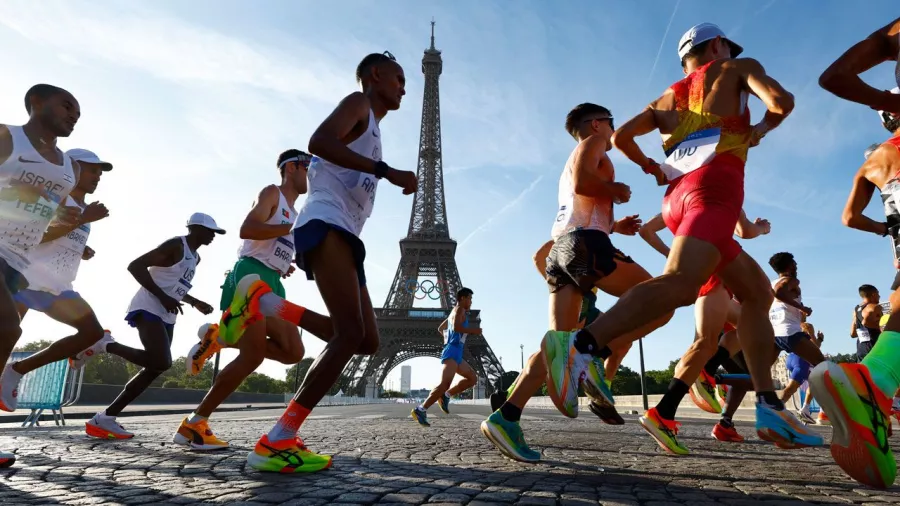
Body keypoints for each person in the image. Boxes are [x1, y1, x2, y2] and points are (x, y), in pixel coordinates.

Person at [541, 23, 820, 449]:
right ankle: (581, 346)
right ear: (716, 45)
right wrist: (758, 130)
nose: (730, 49)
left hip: (677, 199)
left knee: (758, 294)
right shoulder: (738, 67)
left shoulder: (666, 98)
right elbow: (783, 103)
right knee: (680, 284)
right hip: (716, 192)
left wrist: (652, 167)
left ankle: (768, 405)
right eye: (727, 44)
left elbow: (621, 137)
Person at [218, 51, 417, 473]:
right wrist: (386, 170)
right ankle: (278, 438)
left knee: (367, 342)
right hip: (327, 224)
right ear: (375, 75)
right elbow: (319, 142)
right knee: (348, 335)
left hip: (344, 233)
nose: (404, 86)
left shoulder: (374, 126)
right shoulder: (358, 103)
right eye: (399, 78)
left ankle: (268, 304)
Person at [480, 103, 673, 463]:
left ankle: (506, 417)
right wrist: (614, 188)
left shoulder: (569, 163)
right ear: (598, 124)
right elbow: (588, 185)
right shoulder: (593, 142)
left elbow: (578, 204)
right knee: (661, 299)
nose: (614, 132)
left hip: (562, 251)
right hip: (586, 244)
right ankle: (593, 356)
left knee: (557, 344)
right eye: (611, 125)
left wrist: (615, 225)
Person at [172, 149, 330, 450]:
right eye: (309, 167)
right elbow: (247, 229)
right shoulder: (272, 193)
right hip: (249, 278)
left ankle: (219, 336)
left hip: (270, 279)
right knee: (252, 357)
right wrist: (290, 232)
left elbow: (271, 242)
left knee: (293, 351)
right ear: (292, 168)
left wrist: (284, 263)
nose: (313, 174)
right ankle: (194, 424)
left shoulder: (296, 213)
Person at [635, 210, 769, 454]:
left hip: (710, 275)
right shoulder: (722, 187)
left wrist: (678, 259)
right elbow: (745, 231)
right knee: (704, 343)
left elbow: (646, 231)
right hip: (716, 274)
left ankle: (706, 371)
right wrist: (762, 228)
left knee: (749, 322)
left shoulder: (679, 198)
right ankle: (664, 413)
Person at [0, 84, 82, 468]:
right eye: (67, 106)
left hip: (17, 262)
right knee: (6, 330)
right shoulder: (8, 137)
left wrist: (58, 218)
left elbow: (43, 214)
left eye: (77, 113)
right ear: (35, 102)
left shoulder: (68, 167)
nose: (73, 115)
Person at [84, 213, 222, 439]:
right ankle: (105, 344)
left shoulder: (195, 258)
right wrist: (162, 297)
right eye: (210, 231)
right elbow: (135, 266)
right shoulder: (176, 245)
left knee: (155, 368)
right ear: (194, 229)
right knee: (162, 361)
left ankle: (106, 418)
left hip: (167, 314)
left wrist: (194, 301)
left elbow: (174, 285)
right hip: (147, 307)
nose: (213, 236)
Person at [821, 99, 900, 488]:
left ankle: (873, 391)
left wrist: (885, 230)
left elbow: (849, 217)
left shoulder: (873, 161)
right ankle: (870, 385)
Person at [1, 149, 113, 413]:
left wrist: (81, 249)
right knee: (4, 339)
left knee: (92, 333)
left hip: (57, 287)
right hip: (26, 279)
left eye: (100, 172)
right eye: (91, 169)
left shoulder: (83, 208)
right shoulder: (54, 200)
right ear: (72, 170)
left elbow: (62, 238)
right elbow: (35, 235)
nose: (97, 176)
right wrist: (82, 220)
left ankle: (17, 370)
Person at [411, 287, 480, 426]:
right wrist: (473, 330)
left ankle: (446, 395)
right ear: (462, 298)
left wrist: (449, 339)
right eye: (469, 298)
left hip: (456, 351)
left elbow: (441, 328)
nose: (471, 301)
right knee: (445, 384)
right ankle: (421, 409)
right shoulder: (459, 309)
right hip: (452, 352)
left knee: (472, 378)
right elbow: (455, 328)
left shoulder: (453, 312)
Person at [819, 17, 900, 114]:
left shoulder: (887, 37)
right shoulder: (885, 38)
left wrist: (888, 102)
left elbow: (833, 77)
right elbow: (833, 77)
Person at [852, 284, 883, 361]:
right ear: (874, 294)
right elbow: (865, 322)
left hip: (861, 349)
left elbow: (852, 334)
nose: (879, 296)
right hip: (874, 348)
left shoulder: (856, 309)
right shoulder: (875, 307)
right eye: (878, 293)